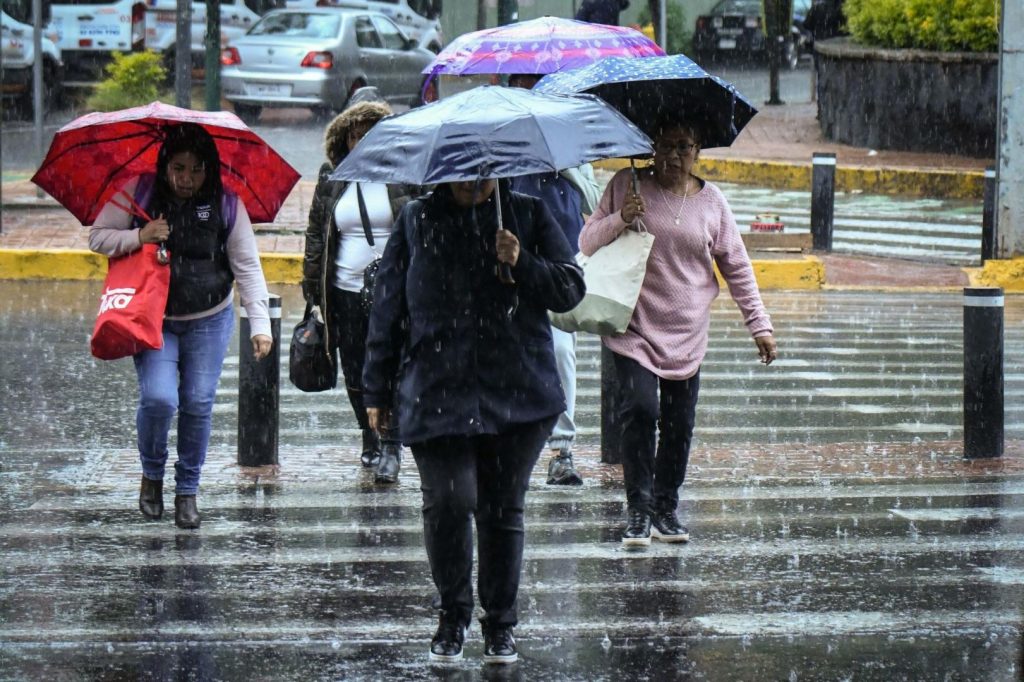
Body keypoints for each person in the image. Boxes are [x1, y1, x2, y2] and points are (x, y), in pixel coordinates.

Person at [362, 178, 585, 664]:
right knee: (449, 500)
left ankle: (500, 623)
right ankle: (452, 615)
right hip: (437, 388)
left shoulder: (525, 212)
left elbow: (570, 288)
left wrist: (521, 261)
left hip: (517, 392)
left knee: (503, 510)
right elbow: (388, 305)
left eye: (483, 168)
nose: (473, 177)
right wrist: (375, 387)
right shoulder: (418, 219)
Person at [578, 120, 778, 548]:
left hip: (687, 332)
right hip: (634, 326)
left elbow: (736, 266)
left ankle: (665, 508)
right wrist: (621, 217)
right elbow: (588, 240)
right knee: (641, 410)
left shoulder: (713, 203)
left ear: (698, 150)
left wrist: (758, 324)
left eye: (683, 147)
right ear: (652, 148)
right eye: (665, 146)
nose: (673, 156)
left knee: (679, 424)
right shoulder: (626, 184)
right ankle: (637, 510)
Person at [89, 123, 273, 530]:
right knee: (159, 400)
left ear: (209, 169)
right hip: (154, 318)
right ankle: (151, 476)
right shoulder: (139, 192)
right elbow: (98, 237)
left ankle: (187, 490)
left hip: (210, 319)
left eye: (196, 169)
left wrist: (259, 323)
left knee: (197, 403)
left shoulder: (227, 204)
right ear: (164, 165)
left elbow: (247, 266)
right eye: (178, 168)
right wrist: (140, 235)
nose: (186, 179)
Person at [302, 97, 419, 484]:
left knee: (395, 365)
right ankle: (368, 432)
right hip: (344, 291)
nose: (364, 139)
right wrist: (312, 291)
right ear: (346, 140)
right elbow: (317, 234)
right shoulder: (332, 176)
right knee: (356, 367)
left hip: (396, 290)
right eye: (356, 134)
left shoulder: (404, 174)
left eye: (373, 132)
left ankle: (392, 444)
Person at [506, 72, 602, 486]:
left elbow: (593, 202)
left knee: (561, 352)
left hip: (560, 265)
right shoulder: (506, 146)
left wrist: (564, 167)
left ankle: (561, 450)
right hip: (511, 265)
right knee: (511, 352)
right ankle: (511, 441)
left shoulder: (572, 149)